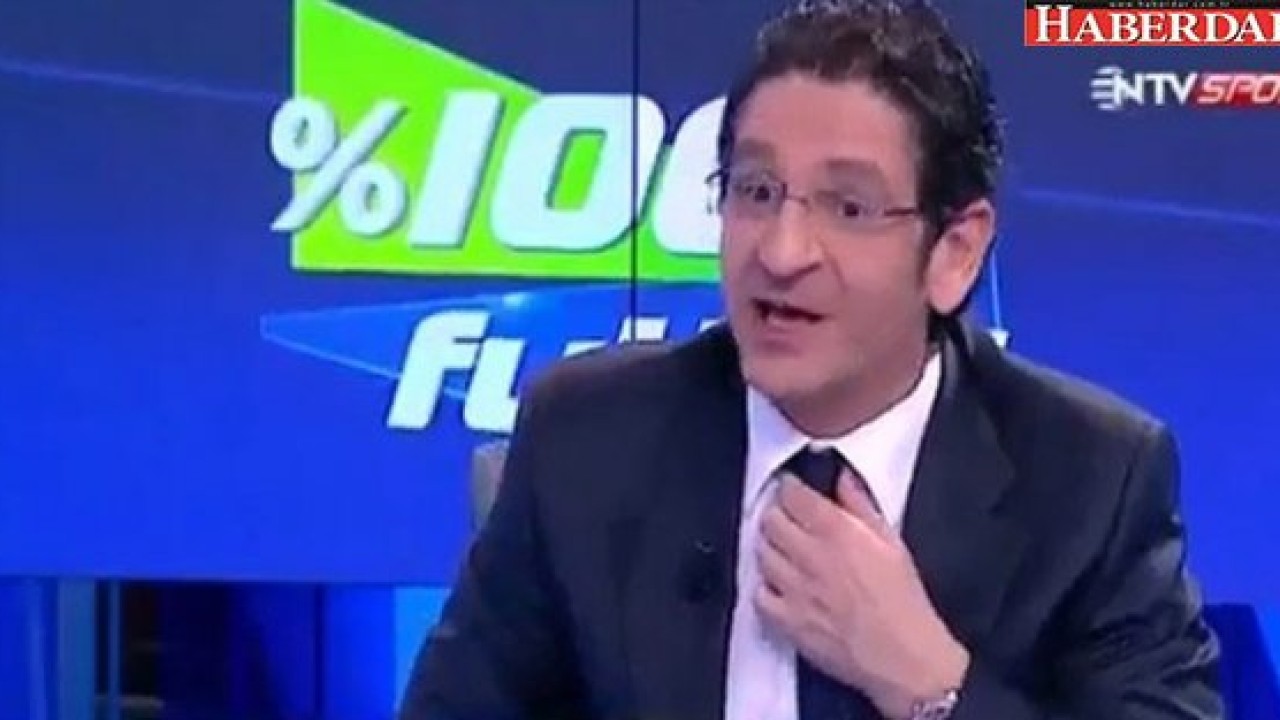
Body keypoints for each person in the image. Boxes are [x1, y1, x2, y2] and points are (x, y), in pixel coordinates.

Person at [398, 0, 1224, 718]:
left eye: (849, 206)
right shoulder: (587, 439)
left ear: (956, 252)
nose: (782, 251)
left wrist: (929, 684)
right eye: (756, 191)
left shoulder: (1090, 481)